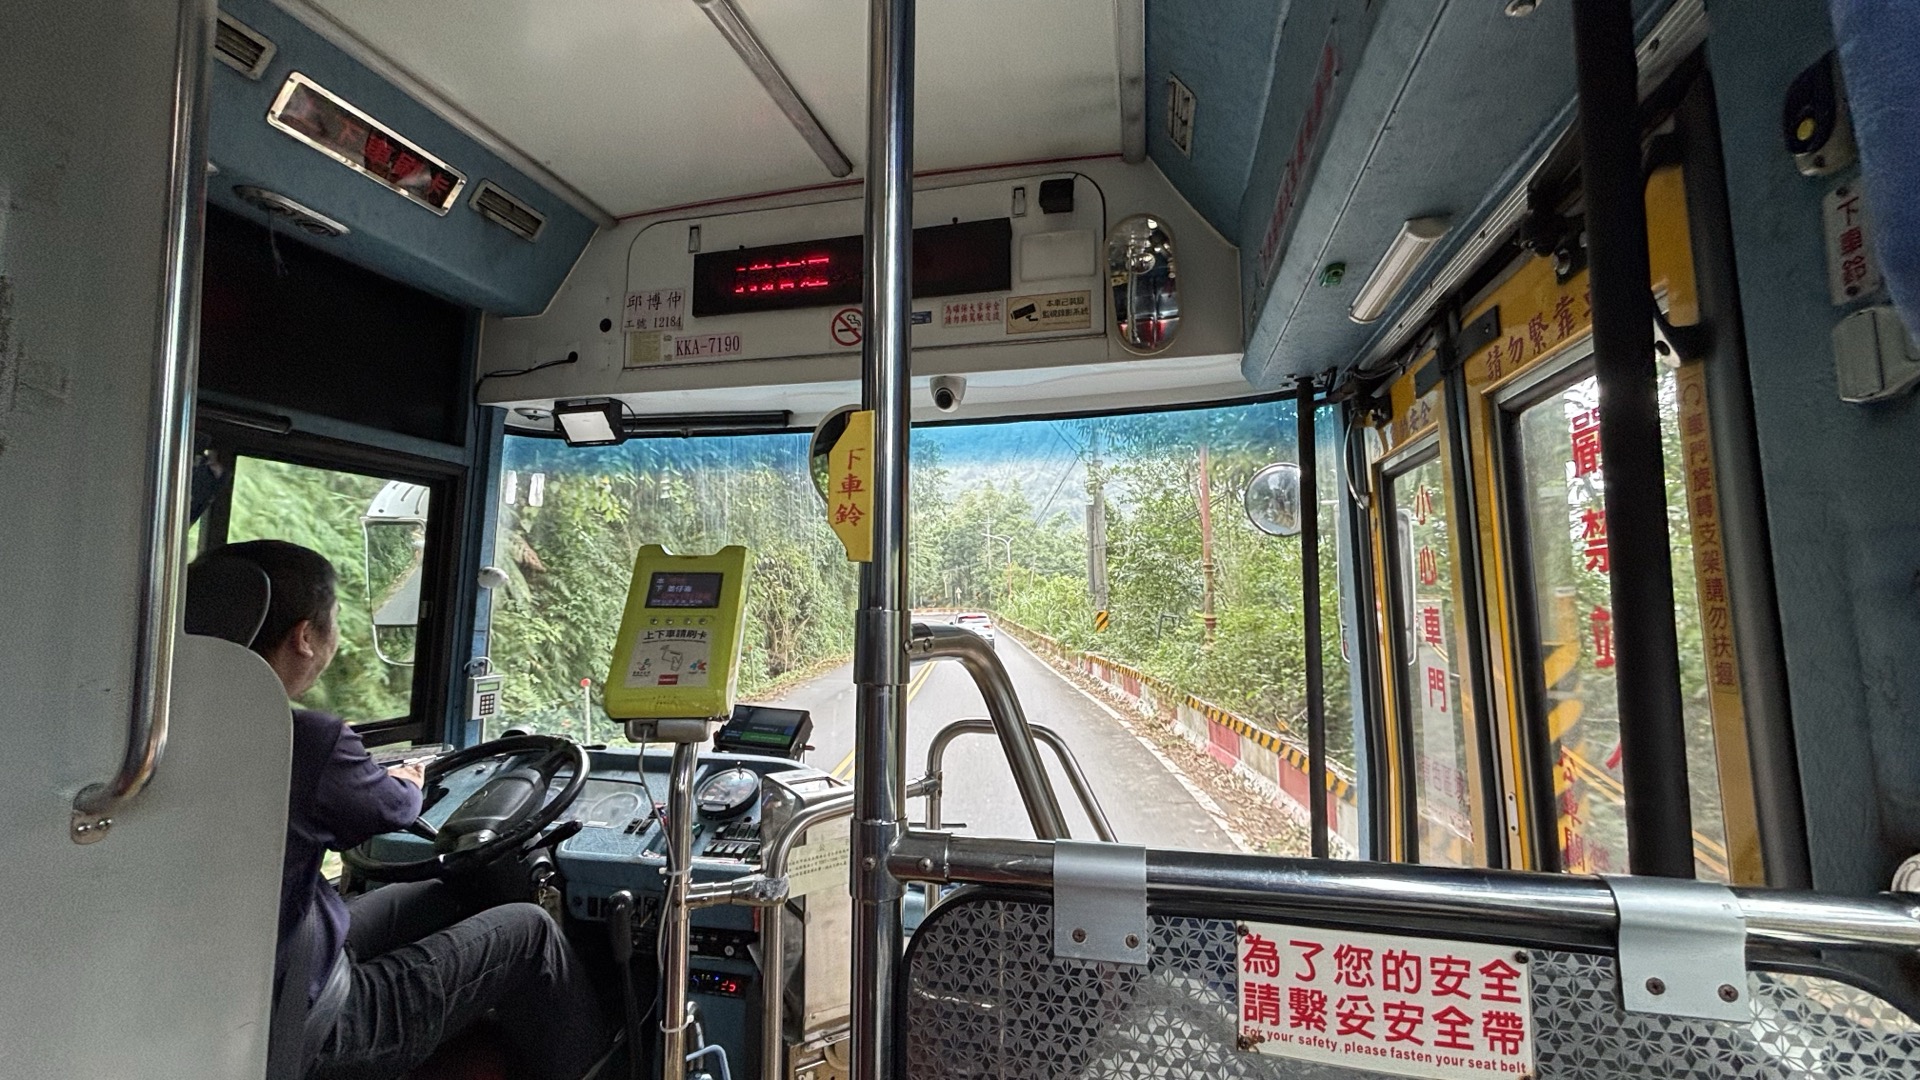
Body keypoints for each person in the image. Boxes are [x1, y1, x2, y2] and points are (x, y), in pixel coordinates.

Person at [203, 540, 609, 1080]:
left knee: (451, 891)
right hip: (313, 1026)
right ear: (304, 637)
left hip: (232, 991)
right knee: (531, 931)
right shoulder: (303, 741)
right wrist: (409, 779)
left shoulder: (152, 737)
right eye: (335, 621)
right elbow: (394, 807)